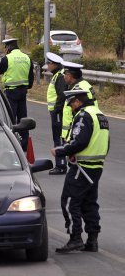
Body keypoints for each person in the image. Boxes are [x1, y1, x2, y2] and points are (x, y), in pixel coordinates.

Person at [51, 89, 109, 253]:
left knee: (69, 202)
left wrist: (61, 151)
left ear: (77, 101)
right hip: (96, 167)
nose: (70, 107)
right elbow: (106, 143)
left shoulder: (84, 115)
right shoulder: (100, 114)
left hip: (81, 168)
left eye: (70, 104)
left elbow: (80, 141)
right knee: (89, 203)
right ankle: (92, 240)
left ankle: (75, 238)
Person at [0, 38, 34, 151]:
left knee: (10, 118)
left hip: (11, 92)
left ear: (8, 48)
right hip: (23, 92)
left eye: (5, 47)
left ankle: (11, 145)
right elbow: (31, 75)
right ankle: (24, 145)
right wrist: (28, 86)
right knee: (23, 119)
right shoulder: (27, 57)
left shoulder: (7, 58)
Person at [60, 61, 98, 144]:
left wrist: (68, 136)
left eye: (65, 74)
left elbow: (78, 113)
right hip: (80, 130)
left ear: (70, 76)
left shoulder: (78, 90)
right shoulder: (84, 85)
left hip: (77, 132)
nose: (64, 77)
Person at [46, 52, 68, 175]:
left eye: (49, 63)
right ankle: (61, 164)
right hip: (57, 112)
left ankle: (61, 165)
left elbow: (61, 95)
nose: (47, 66)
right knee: (59, 138)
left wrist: (56, 110)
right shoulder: (58, 75)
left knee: (58, 138)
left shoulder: (59, 76)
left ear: (54, 64)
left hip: (58, 112)